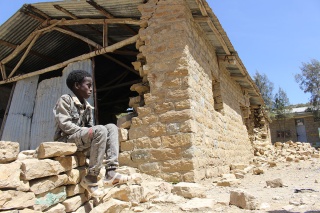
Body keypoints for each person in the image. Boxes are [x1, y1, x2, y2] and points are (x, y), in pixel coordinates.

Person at [53, 70, 139, 197]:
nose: (91, 89)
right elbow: (64, 125)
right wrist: (88, 132)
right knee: (100, 129)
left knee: (111, 127)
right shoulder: (66, 100)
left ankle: (111, 172)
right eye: (88, 85)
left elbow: (91, 128)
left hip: (80, 140)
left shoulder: (88, 107)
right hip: (66, 140)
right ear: (77, 86)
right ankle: (91, 177)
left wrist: (90, 133)